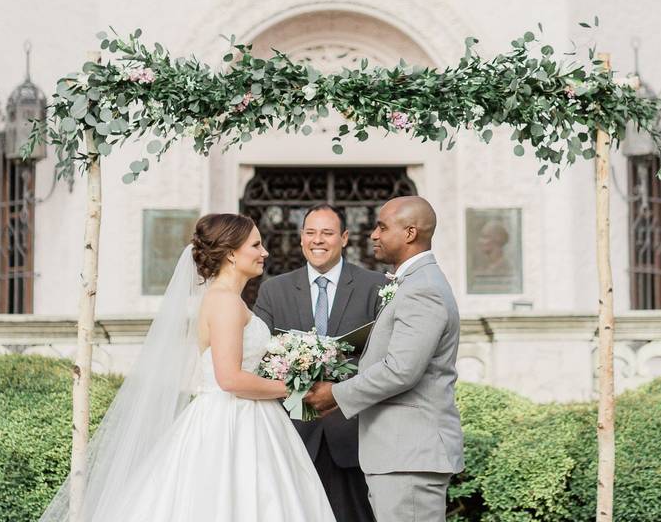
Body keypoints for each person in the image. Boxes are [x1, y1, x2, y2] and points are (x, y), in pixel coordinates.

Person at [38, 213, 336, 522]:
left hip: (247, 417)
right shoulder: (224, 302)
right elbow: (230, 379)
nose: (265, 253)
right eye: (256, 245)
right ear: (232, 253)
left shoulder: (228, 299)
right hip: (232, 422)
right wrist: (297, 389)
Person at [305, 196, 464, 522]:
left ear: (409, 233)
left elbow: (401, 370)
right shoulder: (414, 282)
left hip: (409, 456)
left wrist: (333, 394)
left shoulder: (423, 288)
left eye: (381, 227)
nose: (373, 234)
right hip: (399, 454)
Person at [254, 204, 382, 522]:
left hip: (352, 430)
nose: (318, 240)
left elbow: (385, 357)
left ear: (345, 238)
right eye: (310, 233)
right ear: (300, 239)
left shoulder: (376, 287)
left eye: (327, 233)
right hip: (292, 430)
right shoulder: (274, 290)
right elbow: (258, 355)